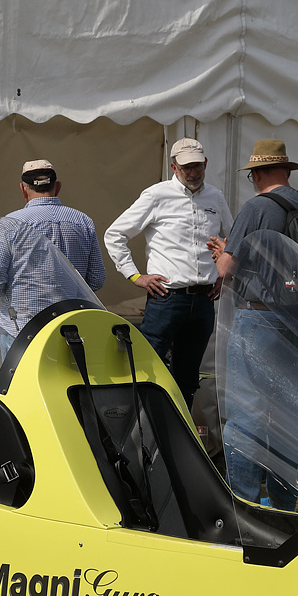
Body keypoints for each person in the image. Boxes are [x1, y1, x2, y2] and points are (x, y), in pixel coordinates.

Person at [208, 139, 298, 509]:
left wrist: (223, 250)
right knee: (287, 412)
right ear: (287, 170)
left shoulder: (257, 207)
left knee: (246, 413)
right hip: (297, 318)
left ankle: (245, 504)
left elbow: (227, 268)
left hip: (259, 316)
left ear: (255, 174)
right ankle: (285, 505)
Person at [105, 137, 233, 404]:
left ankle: (178, 438)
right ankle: (143, 435)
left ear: (206, 163)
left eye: (197, 166)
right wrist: (135, 275)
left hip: (203, 300)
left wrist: (225, 274)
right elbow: (115, 234)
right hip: (167, 298)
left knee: (187, 378)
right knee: (148, 369)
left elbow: (232, 241)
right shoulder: (157, 194)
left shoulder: (215, 197)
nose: (194, 172)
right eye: (187, 167)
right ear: (174, 168)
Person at [0, 159, 105, 359]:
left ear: (23, 189)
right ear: (58, 187)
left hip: (21, 330)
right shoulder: (83, 221)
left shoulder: (11, 224)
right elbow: (96, 279)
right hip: (70, 328)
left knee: (18, 389)